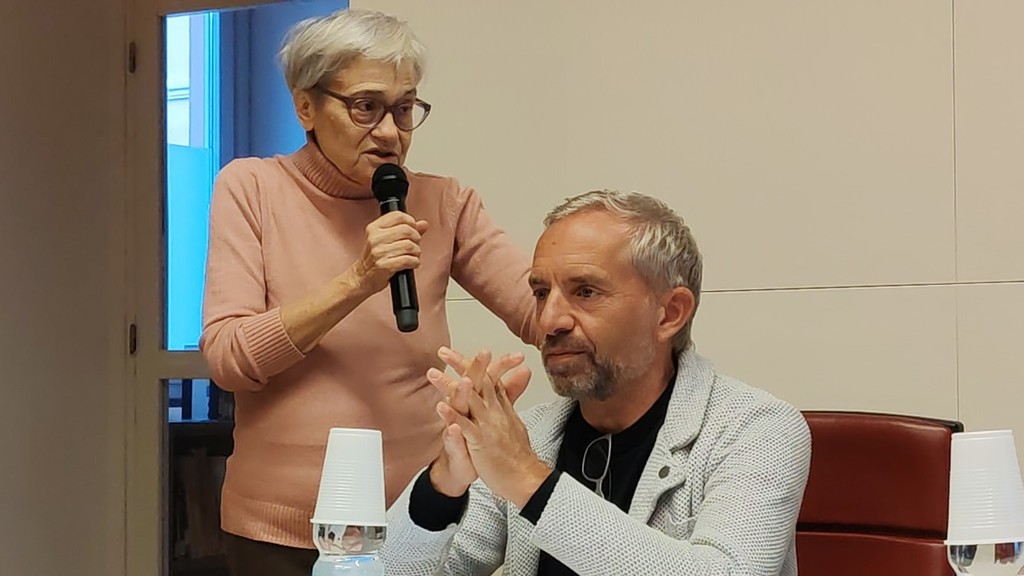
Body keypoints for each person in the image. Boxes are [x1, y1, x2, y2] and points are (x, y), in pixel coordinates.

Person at [199, 9, 536, 575]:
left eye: (404, 109)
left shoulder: (446, 203)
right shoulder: (251, 188)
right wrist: (358, 281)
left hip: (418, 524)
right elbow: (229, 359)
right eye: (365, 107)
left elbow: (540, 311)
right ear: (305, 107)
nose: (389, 132)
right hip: (279, 532)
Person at [382, 190, 813, 576]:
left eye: (585, 292)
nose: (549, 321)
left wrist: (528, 480)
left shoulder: (758, 429)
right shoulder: (532, 435)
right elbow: (386, 571)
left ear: (670, 313)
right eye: (541, 293)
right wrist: (444, 482)